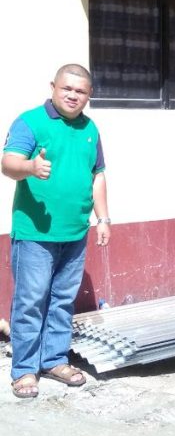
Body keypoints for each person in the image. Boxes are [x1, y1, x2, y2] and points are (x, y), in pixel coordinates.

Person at [3, 64, 111, 399]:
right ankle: (24, 370)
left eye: (81, 91)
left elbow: (98, 176)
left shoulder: (90, 129)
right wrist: (31, 167)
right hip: (35, 232)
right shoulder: (30, 121)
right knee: (31, 301)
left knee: (63, 301)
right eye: (67, 89)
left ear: (88, 95)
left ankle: (53, 360)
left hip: (75, 232)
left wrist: (103, 218)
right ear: (53, 87)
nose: (73, 96)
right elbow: (8, 163)